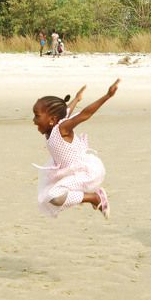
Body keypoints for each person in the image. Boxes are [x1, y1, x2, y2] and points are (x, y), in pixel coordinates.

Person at [32, 80, 120, 219]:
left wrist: (107, 96)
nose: (34, 120)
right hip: (68, 171)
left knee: (54, 197)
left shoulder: (62, 129)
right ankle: (93, 196)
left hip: (83, 171)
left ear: (52, 119)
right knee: (51, 197)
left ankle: (95, 198)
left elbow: (84, 114)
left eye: (37, 116)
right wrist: (77, 99)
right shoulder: (54, 125)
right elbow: (66, 111)